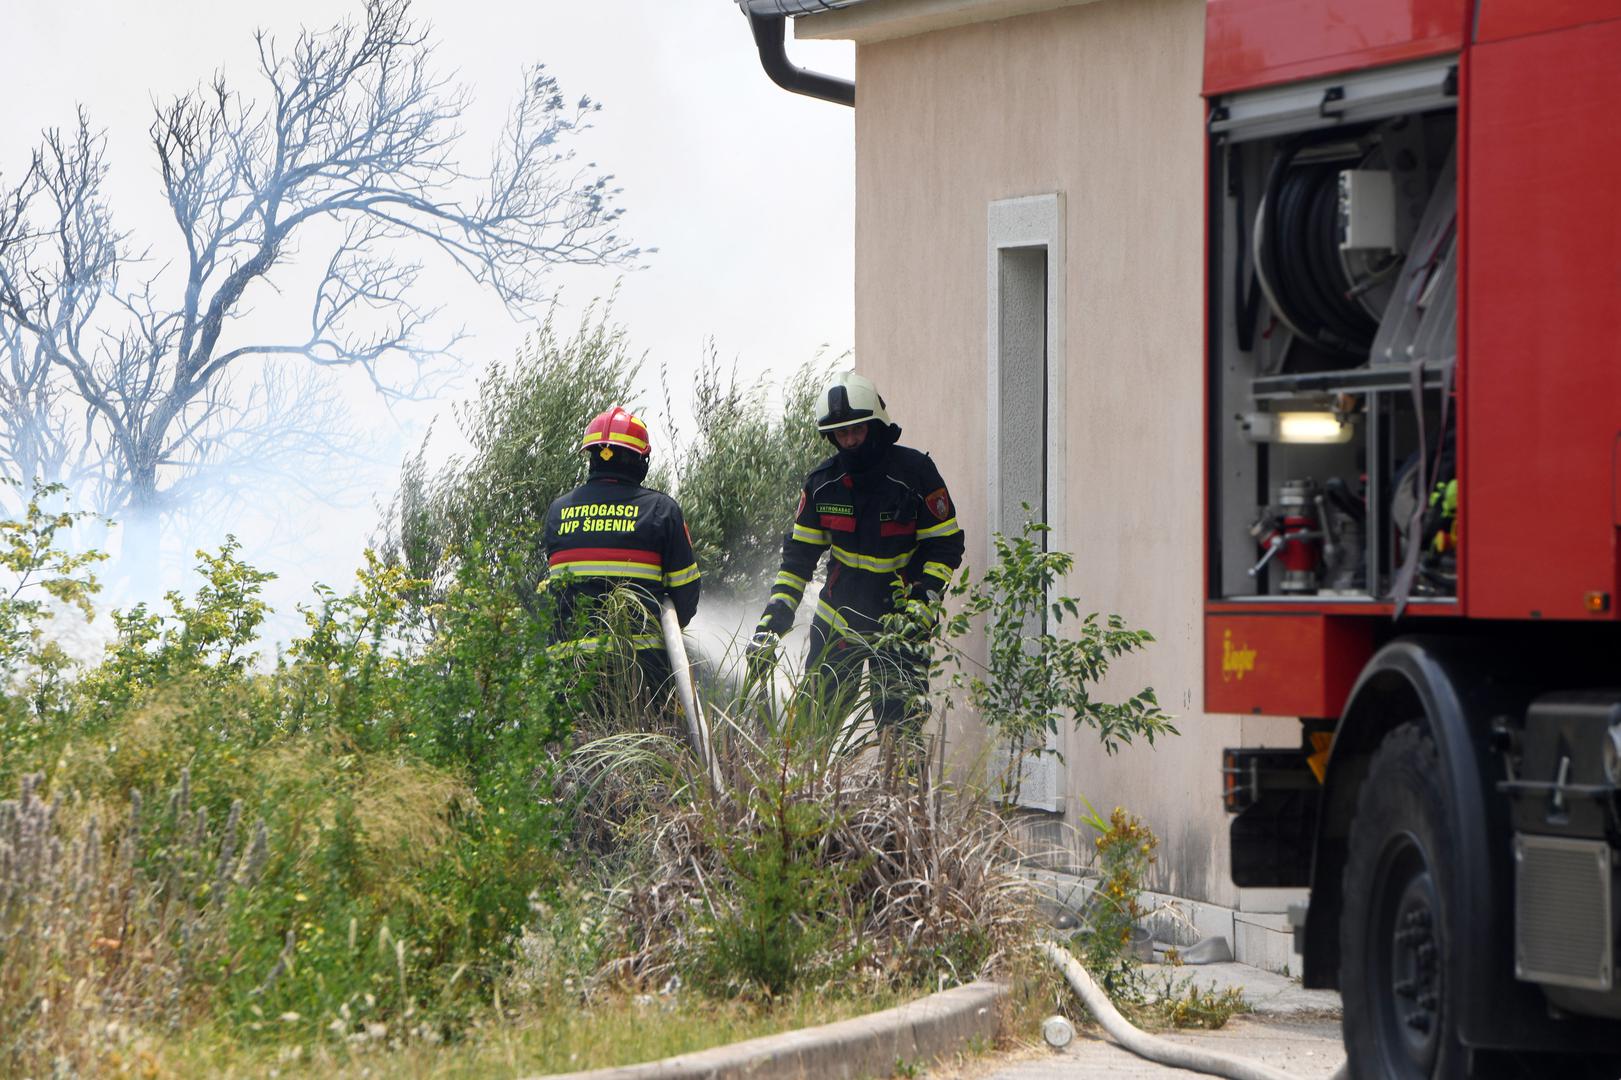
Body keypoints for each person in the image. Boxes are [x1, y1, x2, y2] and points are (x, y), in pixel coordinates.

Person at [749, 371, 964, 745]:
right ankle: (806, 801)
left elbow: (945, 545)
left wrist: (922, 606)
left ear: (875, 426)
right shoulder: (823, 484)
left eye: (857, 431)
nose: (849, 440)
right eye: (840, 433)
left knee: (901, 739)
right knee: (812, 732)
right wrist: (772, 622)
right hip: (838, 625)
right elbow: (797, 562)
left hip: (899, 628)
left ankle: (903, 803)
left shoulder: (915, 475)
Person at [543, 406, 700, 700]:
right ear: (641, 460)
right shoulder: (660, 510)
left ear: (591, 458)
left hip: (567, 675)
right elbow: (686, 595)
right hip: (639, 675)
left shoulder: (557, 511)